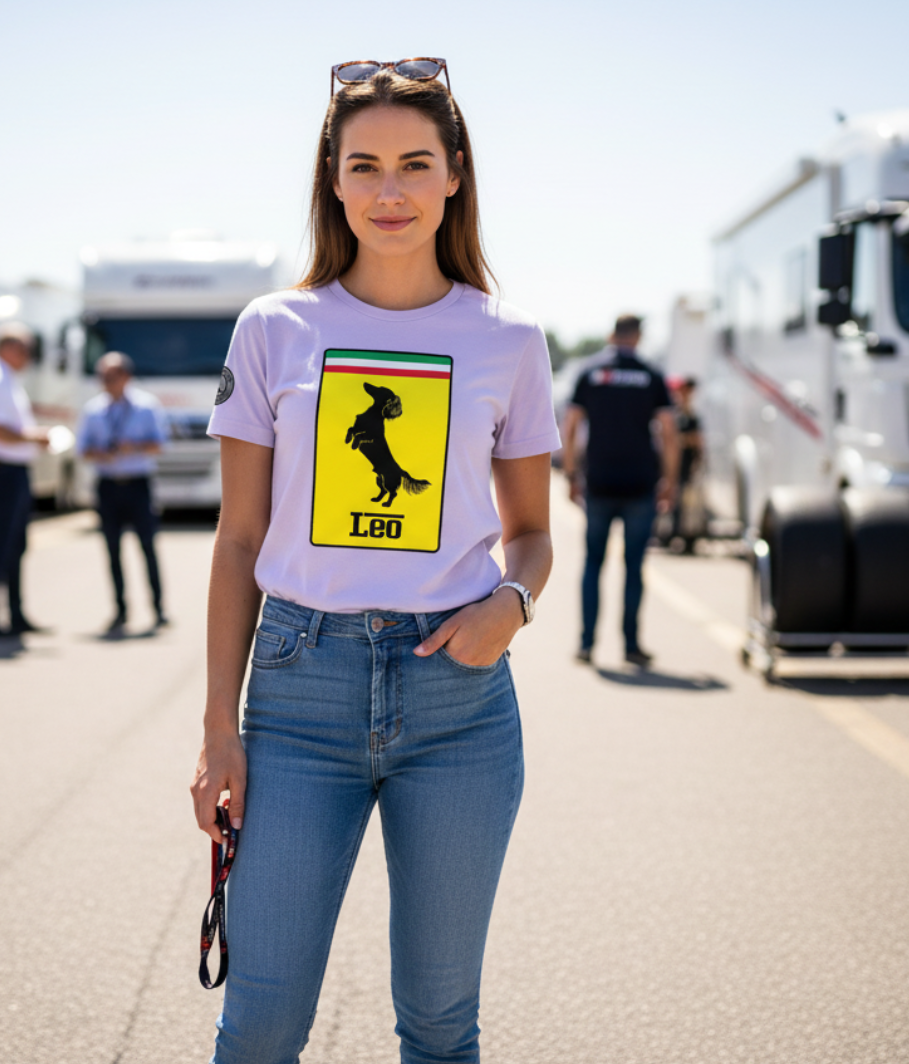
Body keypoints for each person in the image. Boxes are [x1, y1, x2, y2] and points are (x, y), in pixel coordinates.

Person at [189, 59, 559, 1064]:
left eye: (413, 164)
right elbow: (237, 539)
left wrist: (511, 605)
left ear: (454, 174)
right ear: (333, 179)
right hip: (298, 693)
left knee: (439, 1026)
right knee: (261, 1024)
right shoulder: (273, 328)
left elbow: (532, 531)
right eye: (364, 166)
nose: (389, 191)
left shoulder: (508, 338)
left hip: (458, 703)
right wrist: (219, 727)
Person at [561, 314, 679, 667]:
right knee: (634, 567)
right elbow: (669, 432)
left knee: (593, 563)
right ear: (638, 337)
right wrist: (670, 480)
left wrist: (570, 474)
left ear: (612, 334)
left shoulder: (590, 372)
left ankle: (586, 644)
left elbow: (570, 426)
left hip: (599, 481)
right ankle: (631, 646)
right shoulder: (651, 374)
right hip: (640, 482)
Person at [76, 352, 169, 632]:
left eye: (111, 376)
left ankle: (158, 608)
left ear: (126, 377)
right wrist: (100, 452)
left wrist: (134, 447)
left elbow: (160, 445)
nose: (106, 382)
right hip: (108, 485)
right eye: (102, 377)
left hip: (138, 484)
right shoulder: (93, 409)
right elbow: (82, 450)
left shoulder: (146, 405)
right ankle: (120, 610)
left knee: (148, 547)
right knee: (112, 551)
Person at [0, 322, 50, 639]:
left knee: (15, 545)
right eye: (25, 349)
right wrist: (34, 437)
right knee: (2, 545)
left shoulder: (6, 379)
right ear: (8, 348)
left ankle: (15, 615)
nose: (29, 356)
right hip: (3, 471)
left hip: (13, 469)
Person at [670, 376, 706, 552]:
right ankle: (673, 535)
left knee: (689, 507)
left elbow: (697, 441)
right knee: (675, 505)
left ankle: (687, 539)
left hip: (687, 467)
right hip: (675, 468)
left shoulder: (691, 417)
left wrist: (679, 440)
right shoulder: (674, 416)